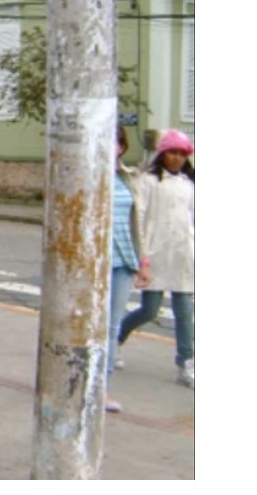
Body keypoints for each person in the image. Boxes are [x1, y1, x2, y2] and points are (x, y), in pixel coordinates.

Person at [117, 129, 196, 388]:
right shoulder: (149, 181)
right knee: (149, 310)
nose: (177, 158)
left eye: (182, 154)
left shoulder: (189, 183)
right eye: (173, 152)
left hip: (182, 254)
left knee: (185, 313)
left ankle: (186, 362)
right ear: (163, 154)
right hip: (155, 254)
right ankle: (115, 339)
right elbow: (139, 217)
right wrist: (142, 256)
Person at [105, 126, 148, 413]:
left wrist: (142, 262)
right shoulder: (88, 175)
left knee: (112, 326)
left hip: (123, 260)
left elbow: (138, 224)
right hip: (95, 262)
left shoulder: (128, 177)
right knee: (89, 325)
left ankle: (103, 388)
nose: (111, 146)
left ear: (122, 147)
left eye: (116, 141)